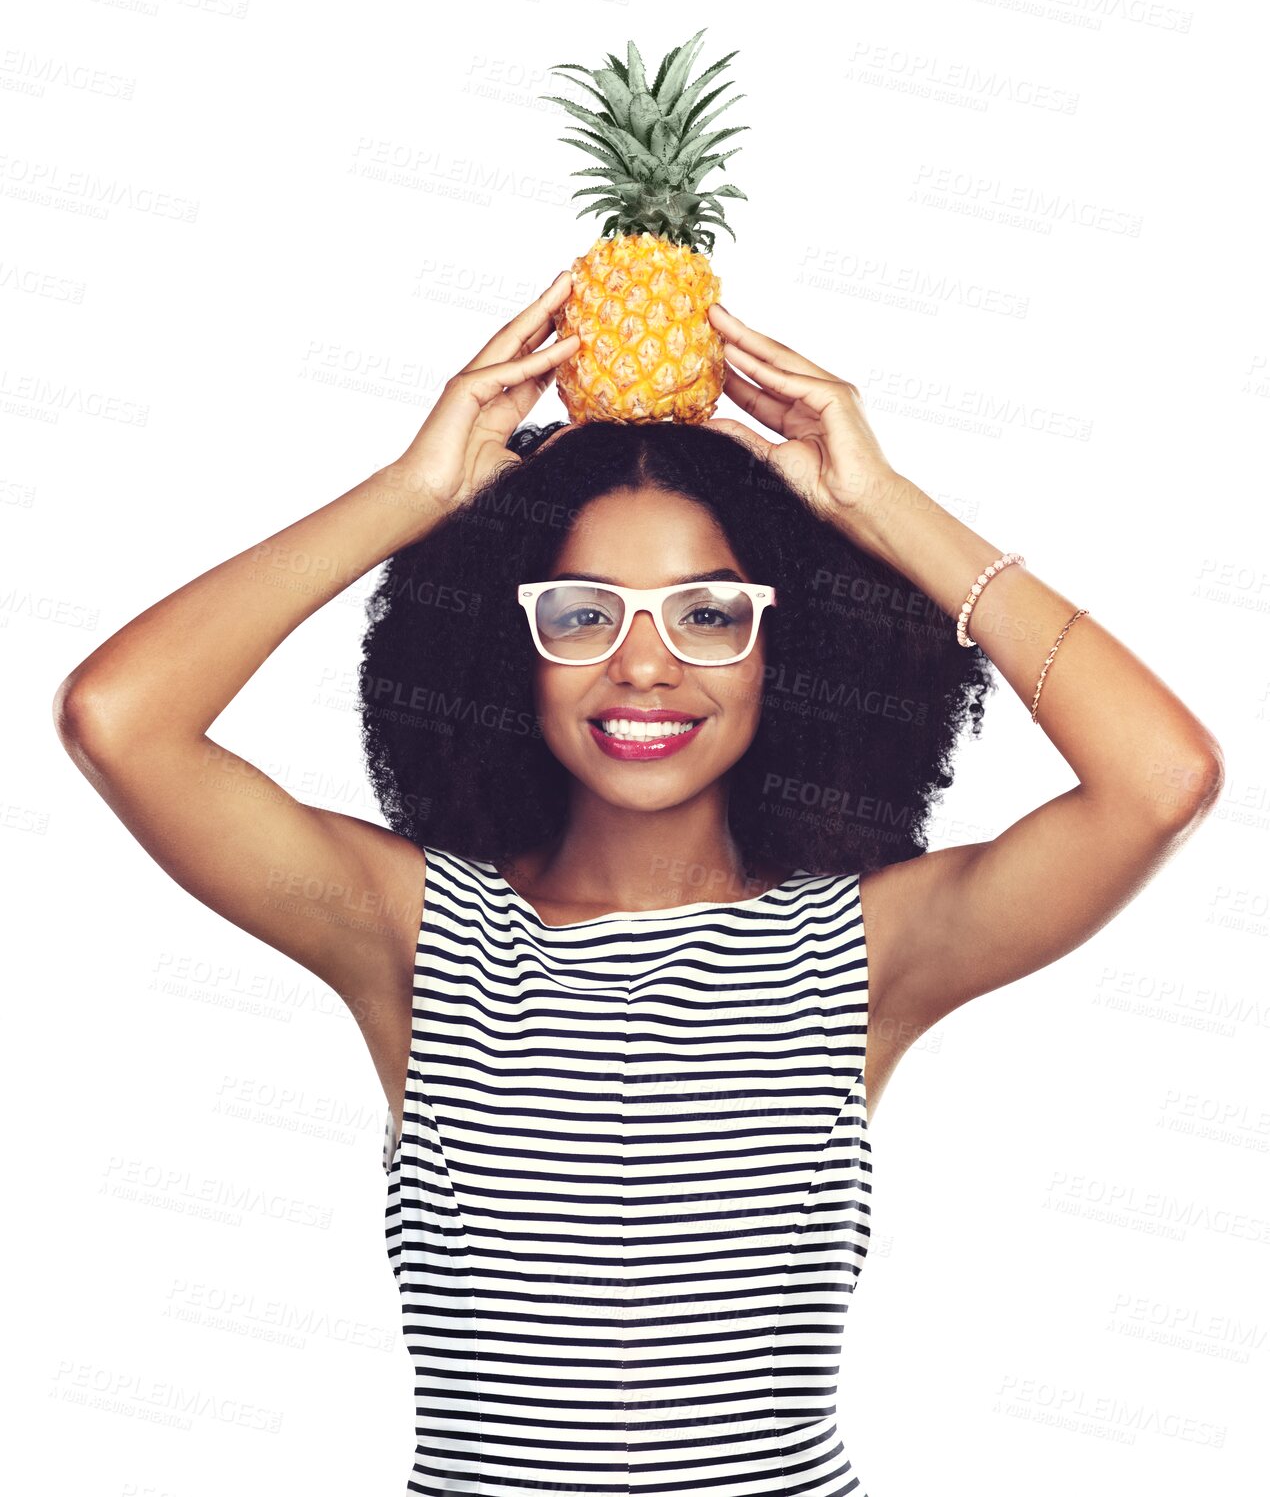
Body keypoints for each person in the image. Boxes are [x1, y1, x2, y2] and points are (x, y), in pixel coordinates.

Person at [52, 271, 1224, 1495]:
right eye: (582, 612)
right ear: (516, 646)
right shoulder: (417, 934)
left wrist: (877, 504)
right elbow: (119, 719)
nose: (646, 667)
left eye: (710, 614)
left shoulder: (860, 950)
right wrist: (419, 491)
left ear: (785, 649)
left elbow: (1161, 778)